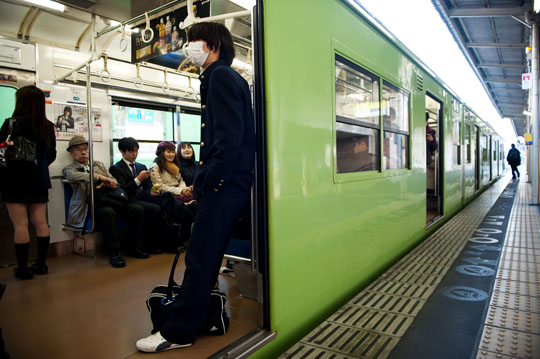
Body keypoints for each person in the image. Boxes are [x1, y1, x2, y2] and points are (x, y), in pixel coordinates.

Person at [136, 22, 255, 352]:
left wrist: (211, 184)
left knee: (201, 257)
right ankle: (188, 320)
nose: (189, 47)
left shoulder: (220, 77)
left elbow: (227, 141)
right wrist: (200, 184)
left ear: (213, 44)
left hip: (225, 185)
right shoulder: (223, 78)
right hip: (227, 184)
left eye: (193, 41)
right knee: (205, 257)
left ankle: (179, 331)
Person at [63, 136, 149, 268]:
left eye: (86, 149)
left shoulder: (98, 164)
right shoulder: (69, 169)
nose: (84, 152)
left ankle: (135, 247)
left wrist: (111, 183)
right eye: (79, 150)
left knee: (136, 209)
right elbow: (73, 177)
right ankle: (114, 252)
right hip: (90, 205)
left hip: (109, 199)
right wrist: (99, 178)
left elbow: (114, 180)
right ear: (71, 153)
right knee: (108, 213)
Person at [0, 85, 56, 280]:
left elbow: (1, 152)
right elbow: (51, 155)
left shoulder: (10, 124)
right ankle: (41, 265)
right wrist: (38, 167)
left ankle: (23, 269)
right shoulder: (47, 127)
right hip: (39, 180)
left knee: (20, 225)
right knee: (41, 222)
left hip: (13, 181)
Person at [109, 137, 166, 253]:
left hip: (142, 197)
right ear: (122, 151)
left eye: (136, 151)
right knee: (140, 209)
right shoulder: (116, 168)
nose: (134, 154)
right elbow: (123, 189)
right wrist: (138, 179)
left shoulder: (141, 166)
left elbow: (148, 185)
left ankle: (153, 243)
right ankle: (136, 246)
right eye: (131, 151)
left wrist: (151, 191)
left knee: (159, 207)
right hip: (127, 200)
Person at [150, 141, 195, 245]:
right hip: (166, 196)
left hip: (179, 194)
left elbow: (181, 180)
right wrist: (180, 191)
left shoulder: (174, 165)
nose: (171, 154)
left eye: (173, 152)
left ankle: (191, 237)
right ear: (162, 152)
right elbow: (160, 187)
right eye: (168, 152)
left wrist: (185, 189)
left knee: (196, 205)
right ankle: (185, 238)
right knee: (186, 212)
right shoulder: (155, 167)